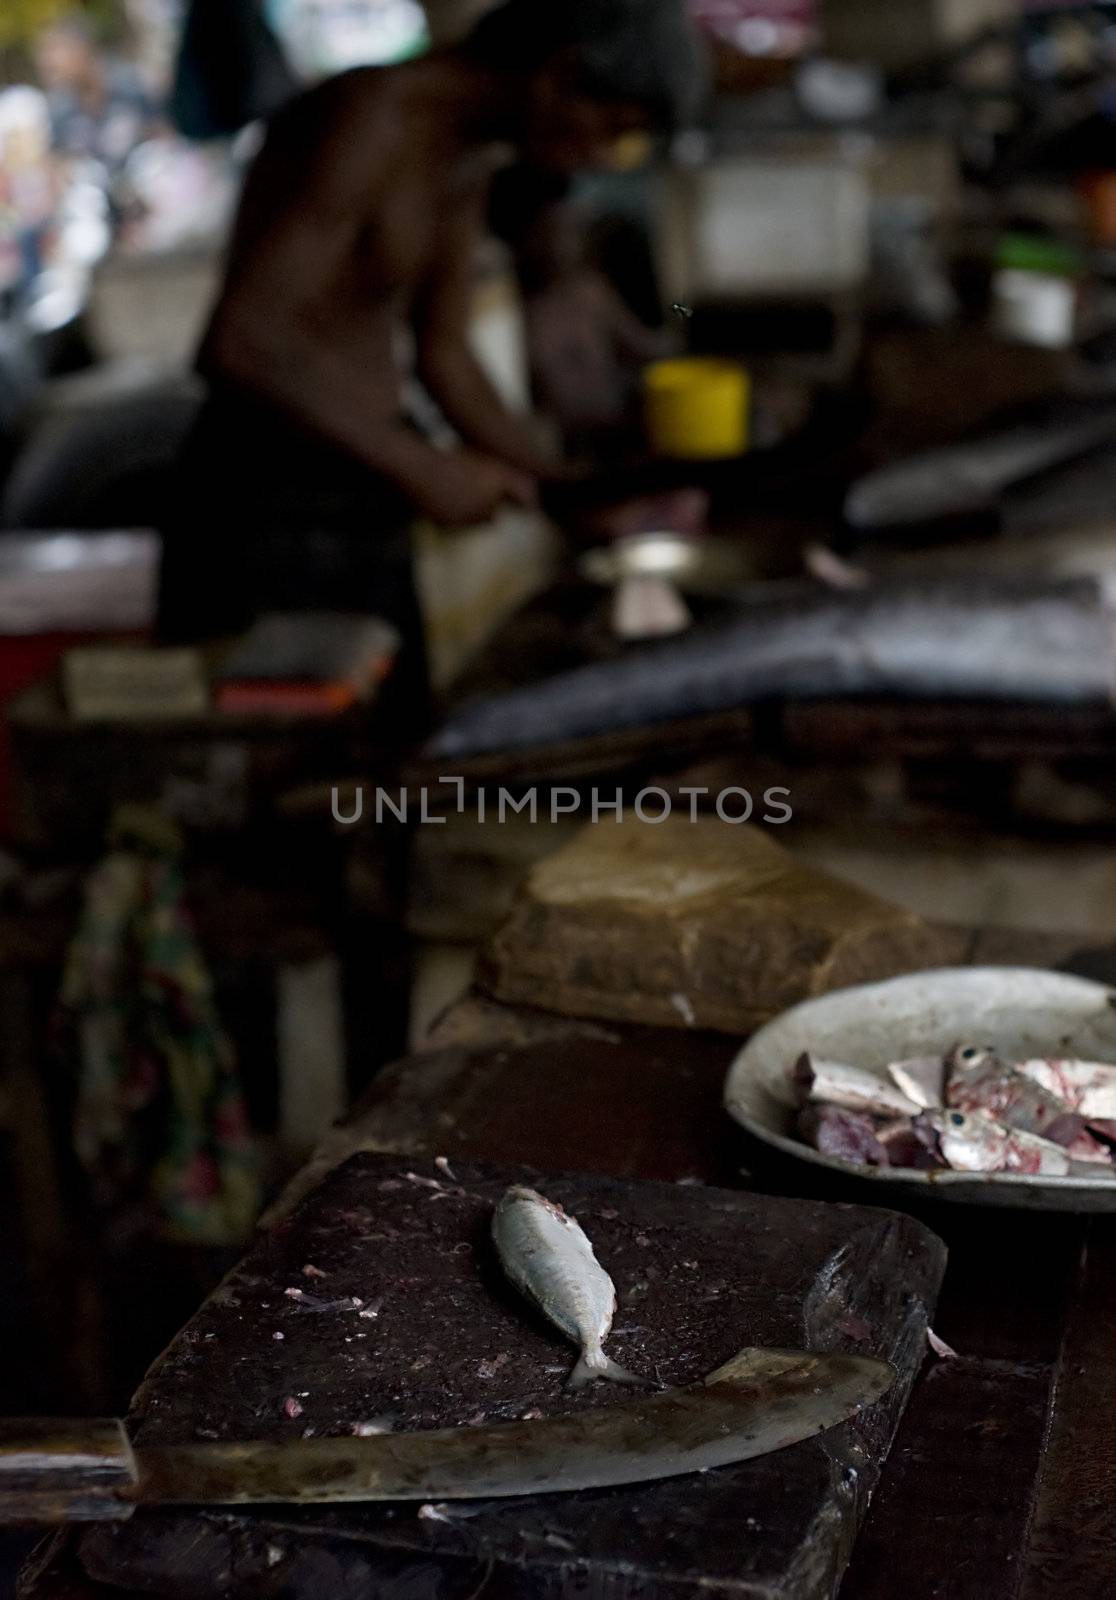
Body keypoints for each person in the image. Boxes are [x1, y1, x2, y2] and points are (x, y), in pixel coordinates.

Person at [157, 0, 708, 725]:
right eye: (612, 130)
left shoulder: (466, 153)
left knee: (389, 744)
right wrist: (424, 469)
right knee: (279, 770)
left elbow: (446, 358)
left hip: (358, 487)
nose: (602, 158)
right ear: (560, 77)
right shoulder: (368, 119)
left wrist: (564, 487)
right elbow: (242, 343)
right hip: (263, 499)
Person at [34, 15, 158, 174]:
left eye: (55, 50)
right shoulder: (60, 112)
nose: (47, 63)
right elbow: (57, 166)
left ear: (83, 50)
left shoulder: (131, 85)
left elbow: (164, 136)